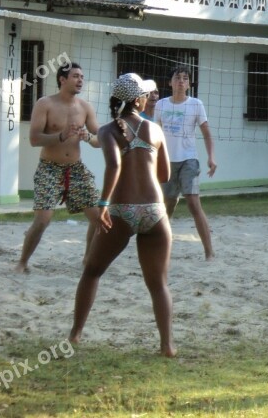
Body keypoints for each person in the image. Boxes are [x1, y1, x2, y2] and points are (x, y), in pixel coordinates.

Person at [69, 73, 176, 357]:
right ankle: (167, 345)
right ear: (138, 99)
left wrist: (103, 202)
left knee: (92, 271)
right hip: (155, 211)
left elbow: (114, 166)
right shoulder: (155, 130)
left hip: (121, 209)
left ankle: (76, 334)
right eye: (145, 95)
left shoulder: (107, 130)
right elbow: (164, 174)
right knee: (158, 284)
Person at [16, 62, 101, 273]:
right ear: (62, 80)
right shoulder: (45, 104)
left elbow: (100, 140)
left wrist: (88, 136)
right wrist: (61, 136)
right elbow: (34, 139)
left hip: (75, 168)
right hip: (49, 168)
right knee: (43, 219)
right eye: (75, 76)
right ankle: (22, 262)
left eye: (82, 76)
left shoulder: (85, 107)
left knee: (99, 218)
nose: (80, 80)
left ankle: (88, 260)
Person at [154, 66, 216, 260]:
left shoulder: (196, 104)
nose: (181, 81)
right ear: (170, 82)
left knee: (193, 203)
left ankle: (209, 252)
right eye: (177, 78)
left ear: (188, 84)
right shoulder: (161, 105)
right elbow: (155, 134)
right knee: (167, 207)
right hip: (166, 162)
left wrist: (211, 157)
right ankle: (161, 248)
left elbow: (206, 133)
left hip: (189, 160)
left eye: (185, 78)